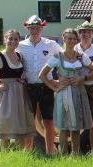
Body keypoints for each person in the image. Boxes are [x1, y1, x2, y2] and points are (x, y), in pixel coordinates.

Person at [39, 28, 93, 155]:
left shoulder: (81, 56)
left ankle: (75, 154)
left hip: (79, 92)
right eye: (69, 38)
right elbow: (42, 75)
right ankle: (64, 155)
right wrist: (55, 86)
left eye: (74, 38)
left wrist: (83, 78)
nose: (72, 41)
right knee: (64, 128)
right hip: (63, 94)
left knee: (76, 127)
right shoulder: (57, 57)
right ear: (64, 39)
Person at [0, 29, 35, 150]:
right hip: (6, 95)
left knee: (20, 125)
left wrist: (21, 80)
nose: (13, 41)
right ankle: (6, 155)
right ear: (5, 40)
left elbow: (20, 73)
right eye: (10, 38)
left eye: (16, 39)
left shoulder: (18, 55)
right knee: (5, 126)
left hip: (20, 94)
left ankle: (20, 157)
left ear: (19, 41)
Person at [17, 15, 62, 154]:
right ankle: (28, 152)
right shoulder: (20, 46)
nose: (35, 30)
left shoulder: (51, 44)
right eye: (32, 28)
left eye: (37, 28)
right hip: (28, 87)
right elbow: (11, 62)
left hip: (46, 87)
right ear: (28, 28)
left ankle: (50, 152)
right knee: (29, 122)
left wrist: (60, 78)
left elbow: (64, 58)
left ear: (42, 28)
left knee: (48, 121)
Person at [74, 21, 93, 152]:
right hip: (76, 87)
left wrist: (84, 78)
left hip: (92, 87)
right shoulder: (73, 49)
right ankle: (76, 151)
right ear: (79, 34)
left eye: (89, 32)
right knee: (75, 121)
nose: (86, 34)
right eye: (83, 32)